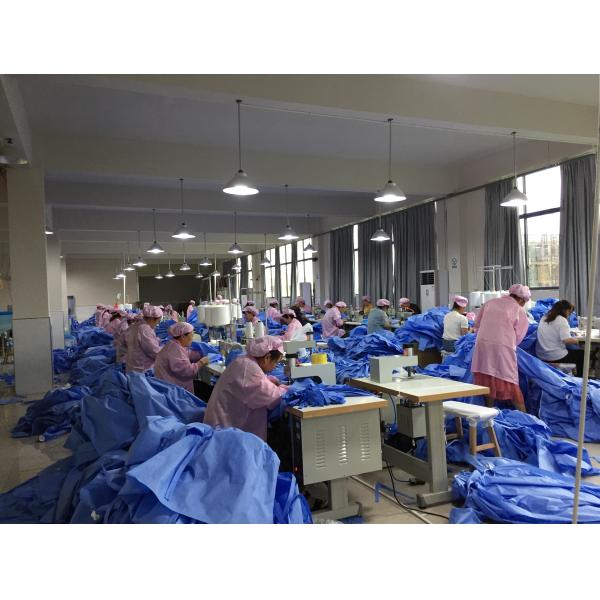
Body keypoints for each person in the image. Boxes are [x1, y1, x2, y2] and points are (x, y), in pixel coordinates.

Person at [203, 336, 289, 441]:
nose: (276, 366)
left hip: (222, 424)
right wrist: (288, 388)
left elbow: (249, 385)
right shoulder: (250, 370)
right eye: (276, 362)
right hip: (226, 434)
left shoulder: (243, 360)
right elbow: (273, 396)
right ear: (267, 358)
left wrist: (268, 380)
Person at [471, 284, 531, 411]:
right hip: (503, 346)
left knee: (487, 376)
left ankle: (488, 412)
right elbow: (519, 335)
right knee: (510, 380)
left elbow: (477, 325)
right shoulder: (518, 309)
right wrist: (511, 343)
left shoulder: (489, 303)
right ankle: (525, 415)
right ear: (521, 300)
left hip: (483, 344)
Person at [154, 322, 210, 393]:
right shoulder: (175, 350)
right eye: (191, 335)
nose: (192, 339)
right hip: (173, 390)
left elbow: (187, 353)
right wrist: (202, 362)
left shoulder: (173, 344)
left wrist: (202, 353)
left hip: (169, 384)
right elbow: (189, 371)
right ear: (183, 336)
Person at [535, 299, 585, 376]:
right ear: (565, 310)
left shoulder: (544, 317)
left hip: (541, 355)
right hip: (555, 356)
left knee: (571, 350)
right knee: (581, 354)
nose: (569, 315)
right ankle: (580, 378)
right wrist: (578, 340)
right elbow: (566, 340)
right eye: (569, 312)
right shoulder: (562, 320)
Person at [126, 305, 163, 373]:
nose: (157, 324)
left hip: (132, 365)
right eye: (158, 321)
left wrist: (157, 340)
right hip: (142, 369)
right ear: (152, 319)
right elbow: (154, 351)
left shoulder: (136, 325)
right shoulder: (145, 329)